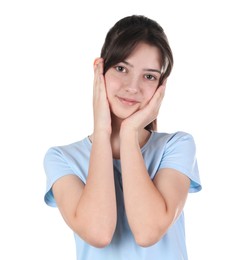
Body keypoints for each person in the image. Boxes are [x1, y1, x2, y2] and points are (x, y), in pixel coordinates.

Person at [43, 14, 202, 260]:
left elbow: (148, 232)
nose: (132, 86)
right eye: (121, 68)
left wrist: (128, 133)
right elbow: (99, 233)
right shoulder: (62, 158)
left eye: (149, 76)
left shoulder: (177, 146)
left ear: (161, 86)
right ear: (99, 69)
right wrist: (103, 131)